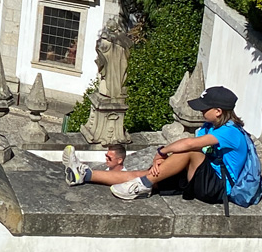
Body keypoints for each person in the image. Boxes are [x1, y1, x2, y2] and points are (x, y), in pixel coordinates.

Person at [102, 86, 261, 204]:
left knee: (189, 151)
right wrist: (165, 161)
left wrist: (162, 152)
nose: (201, 111)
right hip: (203, 177)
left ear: (218, 111)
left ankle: (143, 185)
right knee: (152, 173)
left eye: (204, 108)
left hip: (219, 188)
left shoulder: (230, 132)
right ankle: (87, 175)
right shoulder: (209, 127)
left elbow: (189, 144)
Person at [61, 143, 133, 187]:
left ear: (119, 160)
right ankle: (78, 173)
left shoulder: (125, 177)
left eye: (109, 158)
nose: (106, 159)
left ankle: (82, 173)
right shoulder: (104, 171)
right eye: (106, 156)